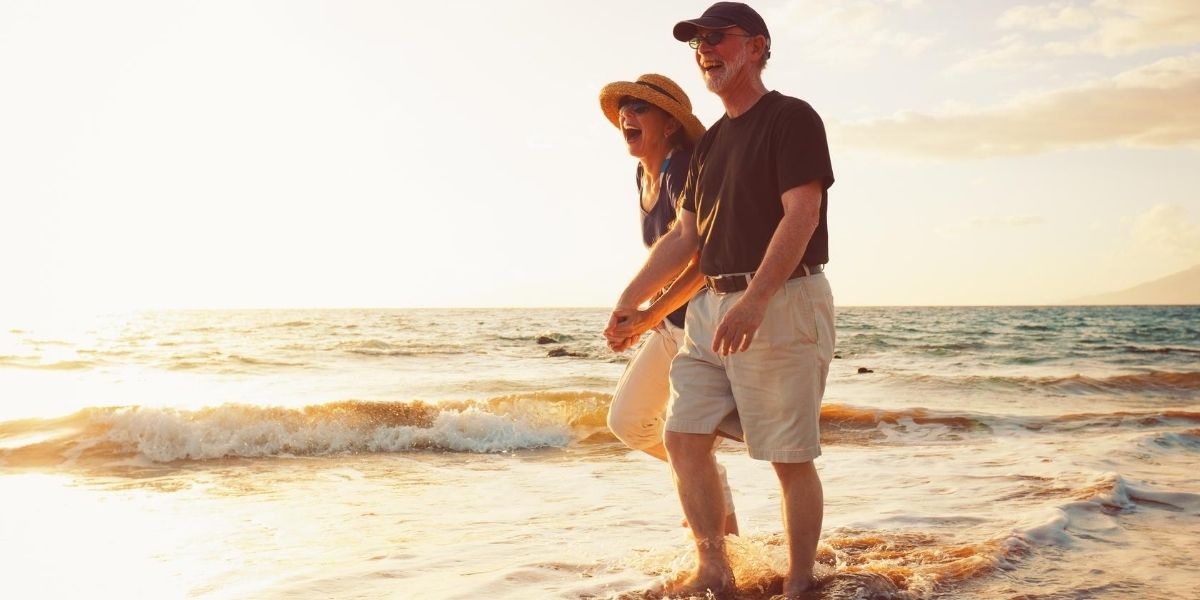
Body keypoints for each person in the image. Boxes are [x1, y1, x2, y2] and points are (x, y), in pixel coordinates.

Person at [605, 3, 836, 598]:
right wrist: (631, 302)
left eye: (717, 38)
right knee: (683, 437)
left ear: (757, 46)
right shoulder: (709, 147)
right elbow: (685, 238)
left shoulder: (792, 117)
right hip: (712, 308)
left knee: (788, 457)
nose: (706, 49)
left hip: (783, 298)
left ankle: (801, 582)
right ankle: (715, 567)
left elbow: (802, 213)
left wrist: (756, 299)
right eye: (697, 42)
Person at [597, 73, 739, 535]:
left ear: (671, 124)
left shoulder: (685, 170)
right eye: (625, 109)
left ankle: (720, 541)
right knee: (629, 420)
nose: (628, 115)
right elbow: (662, 256)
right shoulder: (642, 173)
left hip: (704, 322)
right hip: (667, 322)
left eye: (641, 108)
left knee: (692, 439)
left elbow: (702, 262)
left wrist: (644, 314)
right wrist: (646, 316)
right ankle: (706, 477)